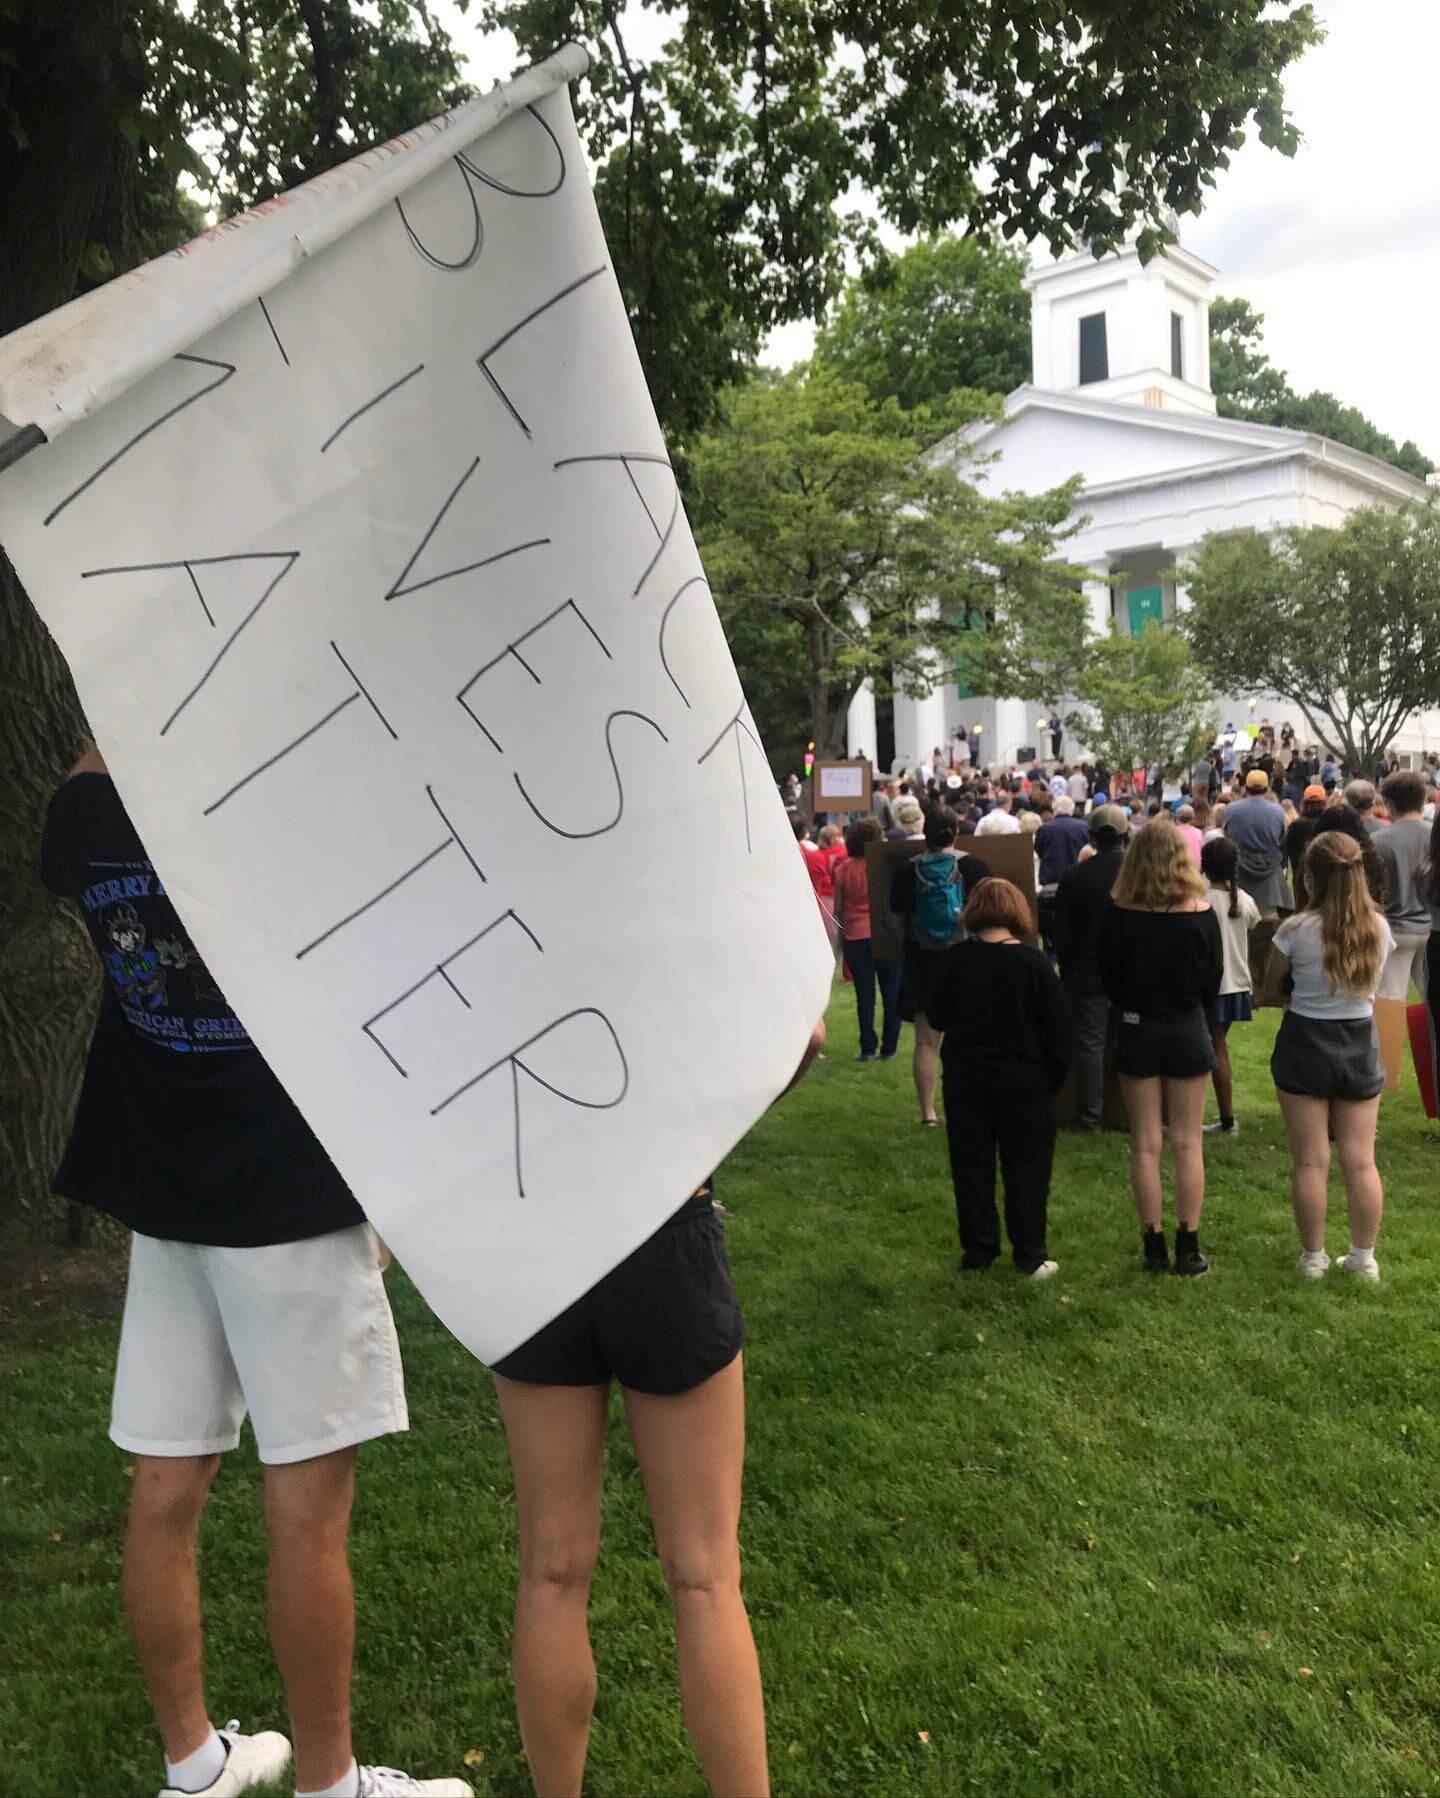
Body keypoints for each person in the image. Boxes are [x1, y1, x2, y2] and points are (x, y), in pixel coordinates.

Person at [40, 750, 466, 1798]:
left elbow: (73, 829)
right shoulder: (274, 792)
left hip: (169, 1186)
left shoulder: (87, 809)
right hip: (289, 1188)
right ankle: (328, 1781)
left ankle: (193, 1762)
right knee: (307, 1501)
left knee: (165, 1478)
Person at [490, 1021, 827, 1798]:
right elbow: (800, 1035)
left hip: (529, 1230)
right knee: (704, 1575)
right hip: (661, 1217)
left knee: (551, 1569)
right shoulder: (658, 898)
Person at [925, 879, 1071, 1277]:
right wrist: (1053, 1078)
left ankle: (978, 1249)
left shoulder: (954, 961)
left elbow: (936, 1016)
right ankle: (1030, 1252)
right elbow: (1059, 1030)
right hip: (1026, 1082)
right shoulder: (1036, 964)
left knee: (971, 1166)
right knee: (1027, 1168)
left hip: (967, 1079)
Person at [1099, 819, 1222, 1274]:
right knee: (1189, 1143)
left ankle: (1152, 1245)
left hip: (1136, 1026)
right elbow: (1213, 981)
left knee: (1145, 1143)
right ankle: (1188, 1247)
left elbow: (1108, 979)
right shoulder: (1202, 914)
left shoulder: (1116, 915)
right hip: (1188, 1027)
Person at [1266, 833, 1391, 1281]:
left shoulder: (1294, 931)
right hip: (1359, 1041)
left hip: (1305, 1042)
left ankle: (1313, 1258)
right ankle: (1363, 1258)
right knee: (1360, 1159)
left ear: (1308, 877)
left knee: (1310, 1160)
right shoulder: (1379, 928)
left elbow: (1270, 988)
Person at [890, 809, 990, 1126]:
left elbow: (895, 909)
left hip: (922, 960)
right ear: (956, 833)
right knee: (968, 1039)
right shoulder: (974, 866)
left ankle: (928, 1113)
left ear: (925, 833)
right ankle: (967, 1107)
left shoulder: (908, 871)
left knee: (926, 1042)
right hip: (966, 958)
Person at [1052, 804, 1129, 1131]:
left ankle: (1091, 1116)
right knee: (1129, 1044)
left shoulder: (1075, 877)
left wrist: (1068, 968)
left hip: (1087, 975)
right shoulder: (1138, 873)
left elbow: (1061, 930)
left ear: (1092, 837)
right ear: (1125, 836)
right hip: (1132, 974)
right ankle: (1127, 1113)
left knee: (1091, 1045)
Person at [1199, 836, 1259, 1137]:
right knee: (1214, 1045)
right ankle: (1223, 1119)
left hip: (1213, 985)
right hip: (1237, 985)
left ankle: (1226, 1119)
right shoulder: (1245, 901)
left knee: (1213, 1047)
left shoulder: (1201, 902)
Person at [833, 815, 901, 1062]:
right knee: (891, 992)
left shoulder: (842, 869)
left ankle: (867, 1047)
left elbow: (839, 908)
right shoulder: (884, 867)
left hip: (855, 934)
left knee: (865, 995)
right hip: (884, 932)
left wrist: (840, 937)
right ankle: (890, 1047)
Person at [1374, 770, 1430, 1000]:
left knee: (1390, 1000)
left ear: (1389, 802)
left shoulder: (1378, 841)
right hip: (1432, 926)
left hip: (1396, 929)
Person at [1223, 769, 1290, 914]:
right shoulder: (1278, 811)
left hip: (1239, 870)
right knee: (1268, 917)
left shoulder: (1231, 809)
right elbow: (1283, 837)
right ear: (1266, 788)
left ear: (1246, 787)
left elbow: (1226, 834)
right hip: (1270, 872)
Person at [1285, 786, 1328, 907]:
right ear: (1324, 803)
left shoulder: (1296, 825)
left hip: (1301, 872)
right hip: (1325, 873)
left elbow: (1288, 849)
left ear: (1304, 803)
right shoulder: (1328, 822)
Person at [1035, 794, 1089, 887]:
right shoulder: (1084, 827)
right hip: (1078, 876)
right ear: (1072, 809)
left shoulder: (1044, 829)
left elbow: (1039, 851)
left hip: (1051, 878)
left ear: (1054, 809)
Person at [1173, 802, 1203, 867]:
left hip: (1179, 866)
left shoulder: (1173, 831)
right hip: (1195, 866)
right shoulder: (1198, 832)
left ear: (1177, 817)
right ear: (1192, 818)